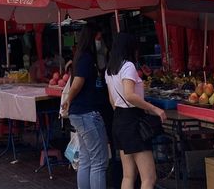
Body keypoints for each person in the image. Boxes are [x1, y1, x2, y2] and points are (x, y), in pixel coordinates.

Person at [105, 33, 165, 189]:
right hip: (132, 121)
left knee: (128, 175)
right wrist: (154, 108)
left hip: (119, 119)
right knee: (149, 178)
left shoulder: (110, 70)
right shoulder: (128, 66)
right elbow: (130, 95)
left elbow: (112, 100)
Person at [61, 24, 109, 189]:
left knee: (86, 159)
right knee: (99, 162)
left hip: (81, 113)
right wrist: (69, 99)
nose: (100, 40)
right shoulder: (86, 58)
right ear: (92, 38)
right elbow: (77, 83)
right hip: (87, 113)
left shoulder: (83, 57)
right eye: (98, 37)